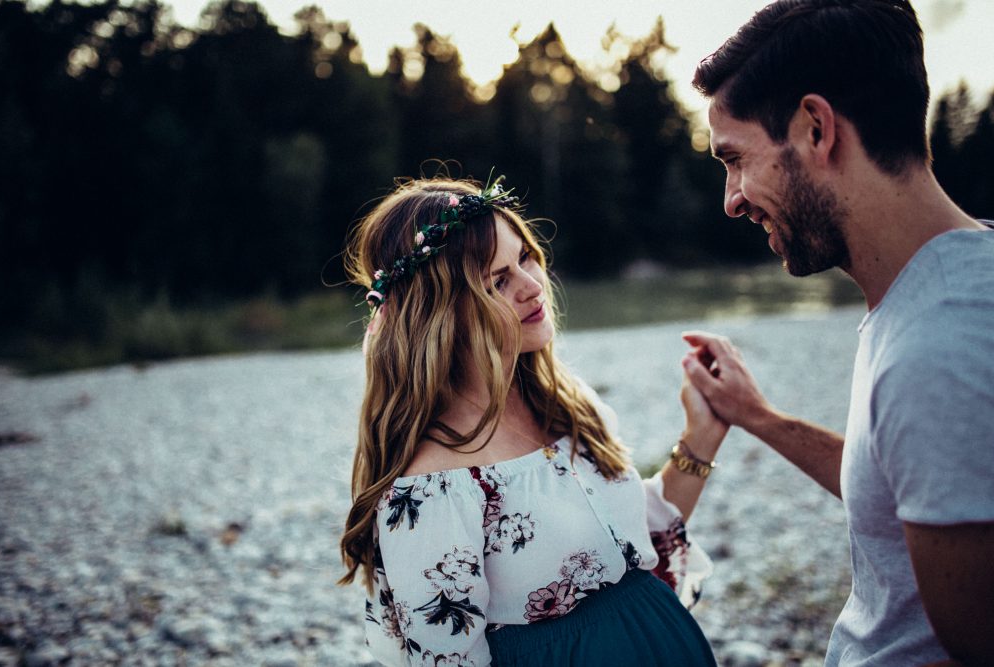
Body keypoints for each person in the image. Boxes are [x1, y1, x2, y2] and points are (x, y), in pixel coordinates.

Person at [685, 1, 994, 665]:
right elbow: (902, 485)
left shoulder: (939, 346)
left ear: (815, 129)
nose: (731, 199)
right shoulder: (947, 284)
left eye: (735, 159)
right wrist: (758, 416)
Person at [338, 175, 725, 666]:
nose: (533, 285)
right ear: (440, 314)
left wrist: (703, 436)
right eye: (498, 281)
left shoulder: (565, 404)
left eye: (524, 257)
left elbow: (633, 544)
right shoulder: (432, 489)